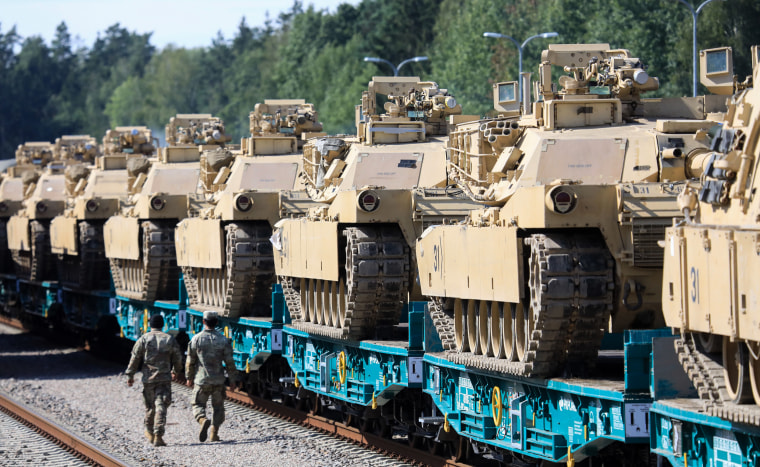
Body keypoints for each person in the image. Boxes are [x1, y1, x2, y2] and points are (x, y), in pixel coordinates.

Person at [125, 314, 184, 447]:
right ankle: (158, 434)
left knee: (150, 406)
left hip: (148, 379)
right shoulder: (169, 339)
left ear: (150, 324)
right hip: (164, 378)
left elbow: (135, 358)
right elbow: (178, 358)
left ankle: (148, 429)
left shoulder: (144, 339)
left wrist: (130, 375)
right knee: (161, 405)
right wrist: (175, 371)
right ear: (162, 325)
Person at [186, 310, 240, 442]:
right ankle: (214, 433)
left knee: (197, 404)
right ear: (216, 322)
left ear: (203, 322)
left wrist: (189, 377)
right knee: (218, 407)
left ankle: (202, 419)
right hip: (218, 381)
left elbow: (190, 361)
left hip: (201, 380)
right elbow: (230, 363)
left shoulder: (196, 339)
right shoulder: (223, 340)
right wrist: (233, 380)